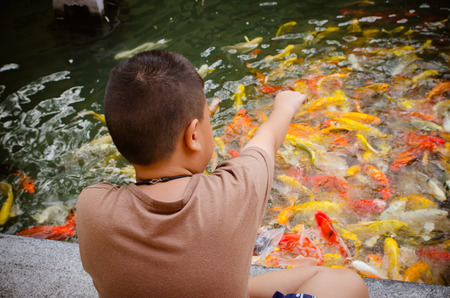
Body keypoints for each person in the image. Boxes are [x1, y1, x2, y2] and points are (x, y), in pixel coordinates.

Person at [76, 50, 369, 298]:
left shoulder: (92, 208)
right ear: (193, 135)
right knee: (345, 282)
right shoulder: (233, 191)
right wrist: (285, 105)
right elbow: (267, 138)